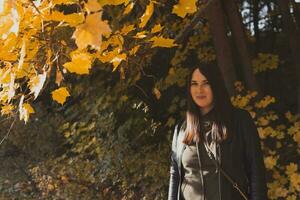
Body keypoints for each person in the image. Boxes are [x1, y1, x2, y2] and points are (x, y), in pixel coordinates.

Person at [168, 63, 267, 200]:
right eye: (194, 84)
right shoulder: (181, 128)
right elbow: (175, 175)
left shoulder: (239, 121)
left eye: (205, 83)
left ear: (216, 85)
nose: (199, 90)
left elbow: (256, 171)